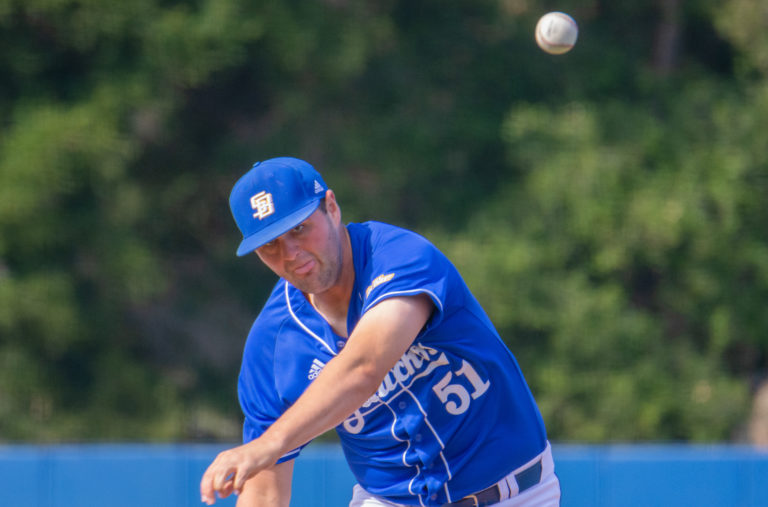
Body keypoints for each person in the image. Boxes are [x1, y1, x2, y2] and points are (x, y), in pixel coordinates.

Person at [200, 157, 561, 507]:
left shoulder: (396, 256)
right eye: (270, 244)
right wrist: (264, 452)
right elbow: (264, 495)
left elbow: (364, 367)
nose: (290, 253)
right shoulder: (272, 344)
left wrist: (268, 444)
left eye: (299, 229)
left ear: (331, 207)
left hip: (513, 494)